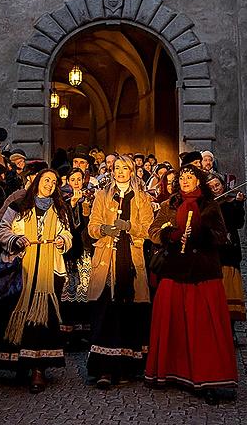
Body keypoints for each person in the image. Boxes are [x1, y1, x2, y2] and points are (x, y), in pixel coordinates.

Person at [145, 164, 238, 403]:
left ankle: (208, 376)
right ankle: (174, 371)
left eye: (191, 177)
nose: (186, 180)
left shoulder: (210, 204)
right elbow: (153, 230)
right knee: (173, 322)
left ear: (198, 181)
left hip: (202, 273)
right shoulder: (170, 204)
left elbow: (221, 235)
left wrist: (201, 233)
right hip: (175, 271)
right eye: (183, 177)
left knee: (202, 326)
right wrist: (170, 235)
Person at [0, 169, 72, 393]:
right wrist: (16, 239)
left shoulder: (59, 209)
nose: (49, 184)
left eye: (54, 181)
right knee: (16, 316)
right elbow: (1, 230)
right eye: (46, 179)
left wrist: (62, 240)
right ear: (37, 181)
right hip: (21, 270)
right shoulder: (18, 205)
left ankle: (38, 369)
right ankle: (20, 363)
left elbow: (68, 233)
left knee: (42, 321)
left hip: (48, 273)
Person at [87, 155, 154, 388]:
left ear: (132, 171)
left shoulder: (142, 198)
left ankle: (127, 367)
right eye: (117, 168)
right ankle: (104, 369)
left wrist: (131, 227)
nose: (121, 172)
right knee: (106, 313)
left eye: (125, 168)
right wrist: (103, 229)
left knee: (130, 314)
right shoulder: (102, 195)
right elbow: (92, 227)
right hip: (107, 261)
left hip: (131, 261)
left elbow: (148, 228)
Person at [207, 172, 247, 328]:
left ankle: (230, 326)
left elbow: (238, 223)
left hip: (230, 250)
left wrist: (238, 204)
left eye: (217, 185)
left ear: (223, 185)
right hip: (213, 251)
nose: (215, 189)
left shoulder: (230, 202)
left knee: (230, 288)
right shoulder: (207, 205)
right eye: (211, 187)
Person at [61, 168, 94, 347]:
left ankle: (83, 332)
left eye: (79, 179)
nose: (76, 182)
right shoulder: (63, 198)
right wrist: (72, 205)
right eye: (72, 179)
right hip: (70, 251)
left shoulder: (89, 196)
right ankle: (68, 333)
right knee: (70, 289)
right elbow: (68, 224)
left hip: (85, 247)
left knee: (84, 289)